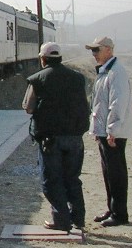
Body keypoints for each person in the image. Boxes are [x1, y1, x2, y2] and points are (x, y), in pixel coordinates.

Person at [22, 42, 90, 232]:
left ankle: (61, 220)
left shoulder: (37, 79)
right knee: (72, 178)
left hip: (50, 139)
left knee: (51, 180)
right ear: (60, 57)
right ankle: (78, 218)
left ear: (43, 59)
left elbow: (28, 107)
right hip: (75, 137)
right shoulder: (77, 78)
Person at [86, 36, 132, 227]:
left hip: (113, 132)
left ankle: (120, 214)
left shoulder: (116, 72)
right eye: (92, 51)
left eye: (96, 50)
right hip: (105, 131)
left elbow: (117, 102)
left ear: (108, 50)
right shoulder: (107, 72)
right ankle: (112, 209)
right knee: (109, 172)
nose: (94, 54)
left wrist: (112, 129)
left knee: (116, 173)